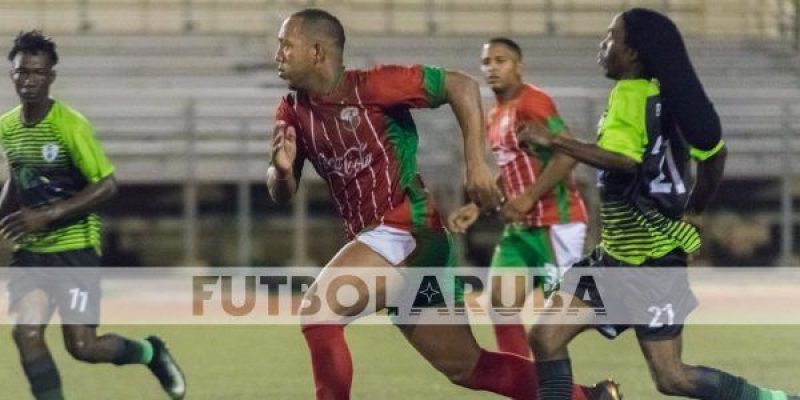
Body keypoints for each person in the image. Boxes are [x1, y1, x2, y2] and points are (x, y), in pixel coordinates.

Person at [267, 8, 617, 400]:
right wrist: (281, 172)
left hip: (407, 229)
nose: (278, 54)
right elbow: (282, 191)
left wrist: (476, 164)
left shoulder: (374, 86)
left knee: (319, 313)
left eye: (286, 45)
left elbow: (461, 85)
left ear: (317, 52)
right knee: (467, 366)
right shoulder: (291, 111)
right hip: (388, 243)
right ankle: (591, 397)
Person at [516, 9, 799, 400]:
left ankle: (777, 399)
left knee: (672, 378)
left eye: (610, 38)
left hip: (650, 264)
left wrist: (556, 141)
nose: (603, 45)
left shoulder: (632, 95)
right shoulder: (667, 96)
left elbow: (625, 160)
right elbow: (715, 155)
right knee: (546, 336)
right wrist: (695, 208)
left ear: (632, 54)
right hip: (618, 257)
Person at [0, 31, 186, 400]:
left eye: (37, 73)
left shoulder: (70, 125)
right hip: (32, 254)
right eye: (22, 72)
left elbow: (107, 185)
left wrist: (50, 213)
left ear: (51, 76)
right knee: (26, 333)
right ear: (11, 74)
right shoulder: (8, 126)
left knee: (83, 346)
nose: (29, 80)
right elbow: (18, 177)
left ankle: (151, 352)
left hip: (75, 252)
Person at [448, 37, 592, 361]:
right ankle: (527, 387)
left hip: (558, 223)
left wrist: (527, 197)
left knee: (559, 323)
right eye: (487, 62)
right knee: (500, 306)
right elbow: (512, 168)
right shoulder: (495, 114)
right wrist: (479, 205)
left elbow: (568, 154)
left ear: (519, 66)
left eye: (501, 61)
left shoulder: (534, 102)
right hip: (521, 229)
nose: (492, 68)